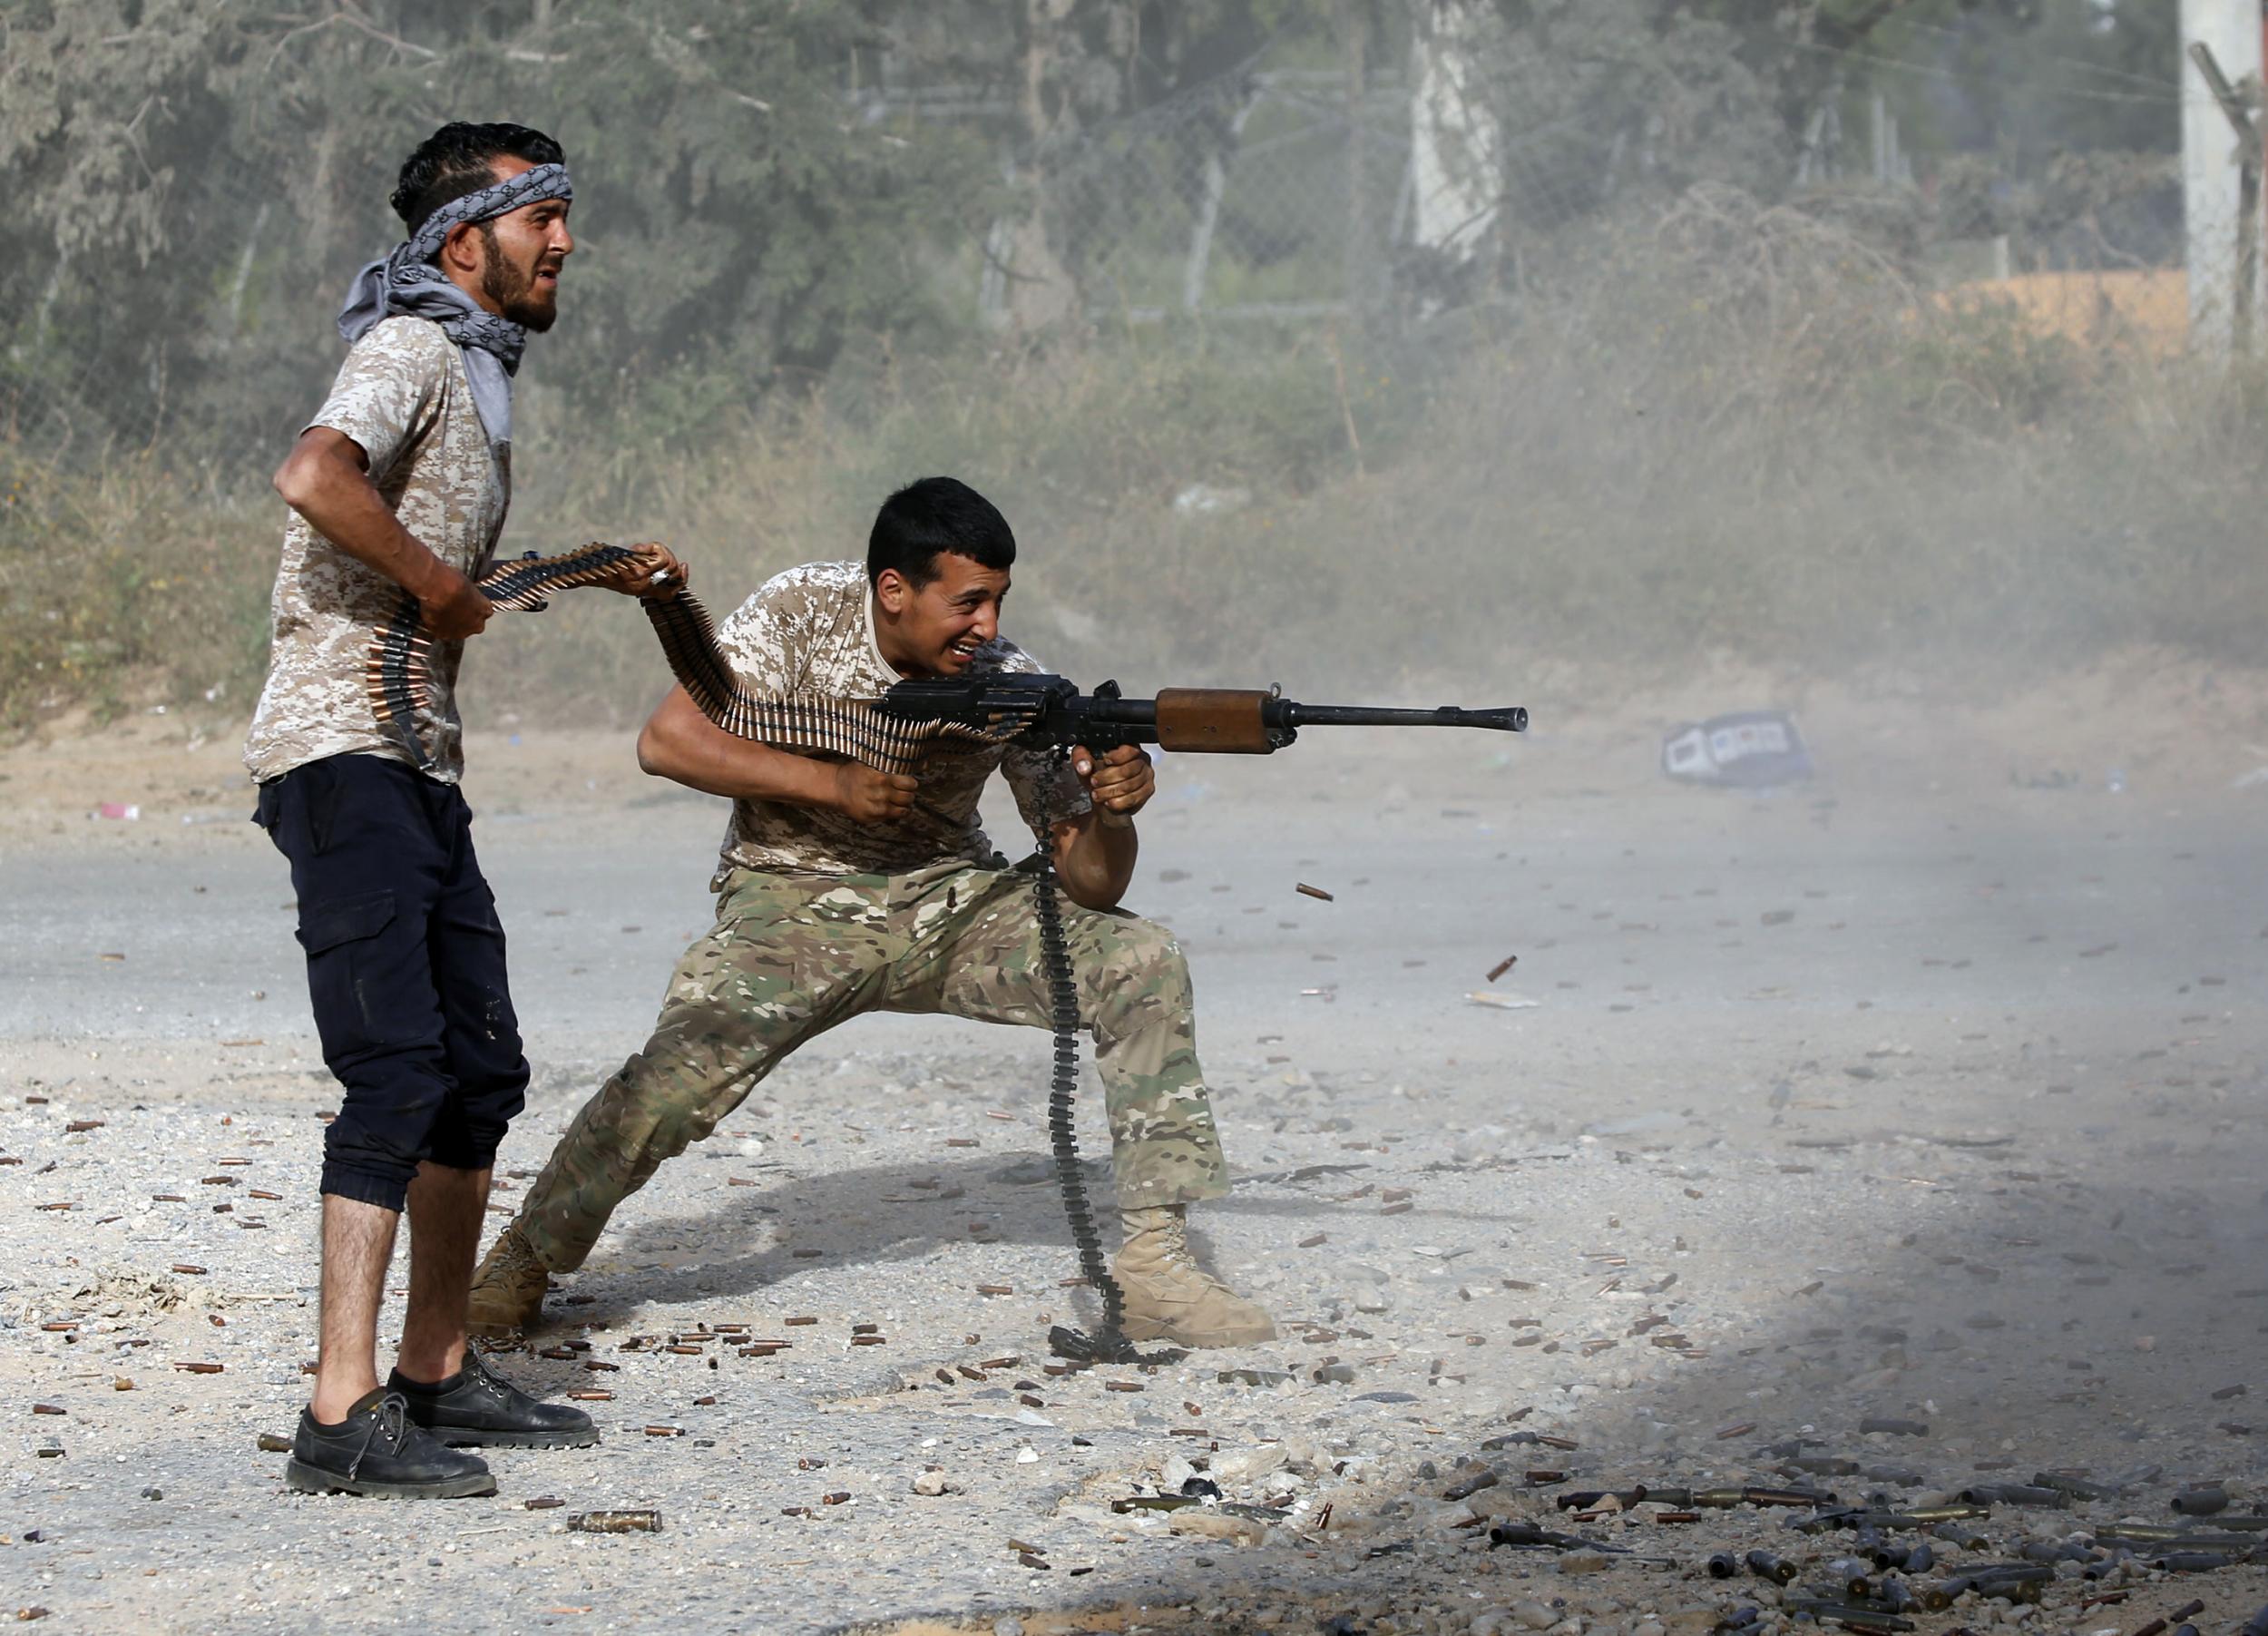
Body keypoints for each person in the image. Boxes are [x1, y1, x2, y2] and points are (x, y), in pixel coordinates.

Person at [466, 476, 1276, 1350]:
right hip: (790, 901)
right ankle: (522, 1260)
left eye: (1000, 601)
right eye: (968, 602)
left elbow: (1090, 884)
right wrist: (834, 785)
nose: (989, 628)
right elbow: (668, 741)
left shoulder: (1012, 683)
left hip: (947, 902)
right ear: (894, 590)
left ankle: (1155, 1268)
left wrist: (1114, 810)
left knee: (1140, 959)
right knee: (671, 1084)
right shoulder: (803, 609)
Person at [248, 121, 681, 1498]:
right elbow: (317, 476)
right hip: (340, 749)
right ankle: (340, 1407)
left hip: (416, 758)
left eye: (565, 213)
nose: (564, 239)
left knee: (477, 1071)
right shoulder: (414, 345)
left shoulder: (476, 370)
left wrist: (589, 570)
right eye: (538, 214)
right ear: (458, 239)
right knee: (395, 1072)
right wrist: (441, 588)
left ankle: (433, 1370)